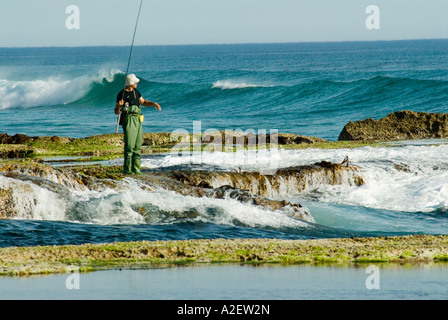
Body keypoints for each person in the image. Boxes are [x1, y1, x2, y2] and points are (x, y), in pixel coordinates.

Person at [115, 74, 161, 174]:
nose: (137, 83)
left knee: (137, 145)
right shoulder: (121, 94)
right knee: (130, 145)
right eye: (135, 82)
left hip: (138, 119)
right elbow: (116, 111)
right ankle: (127, 170)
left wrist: (153, 103)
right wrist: (119, 105)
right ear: (131, 83)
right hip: (128, 119)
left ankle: (136, 169)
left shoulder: (136, 92)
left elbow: (143, 102)